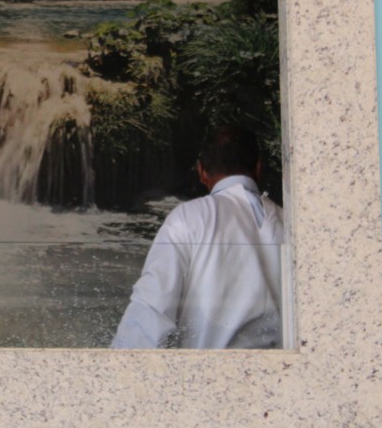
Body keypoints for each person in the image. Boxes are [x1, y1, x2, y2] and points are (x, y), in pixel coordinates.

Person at [111, 125, 283, 349]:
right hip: (288, 367)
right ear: (258, 168)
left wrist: (118, 366)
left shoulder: (188, 218)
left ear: (201, 171)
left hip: (208, 368)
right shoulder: (290, 222)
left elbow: (151, 309)